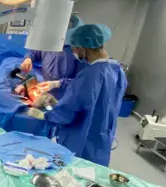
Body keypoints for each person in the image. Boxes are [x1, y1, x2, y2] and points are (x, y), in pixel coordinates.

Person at [34, 24, 126, 166]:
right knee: (93, 170)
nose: (74, 53)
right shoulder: (117, 71)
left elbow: (67, 113)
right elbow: (96, 96)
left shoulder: (89, 74)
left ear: (83, 48)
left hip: (82, 139)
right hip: (102, 137)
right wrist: (58, 85)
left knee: (76, 174)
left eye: (74, 49)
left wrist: (45, 114)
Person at [20, 15, 86, 94]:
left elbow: (80, 80)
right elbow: (34, 53)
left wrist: (57, 84)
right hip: (46, 87)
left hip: (66, 92)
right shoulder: (49, 41)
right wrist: (28, 59)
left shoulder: (77, 51)